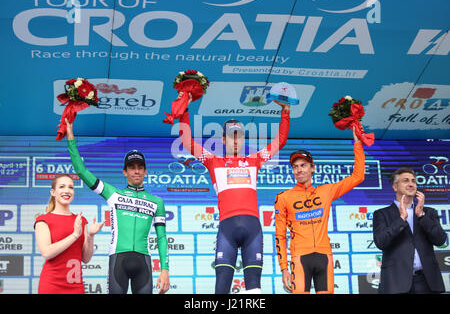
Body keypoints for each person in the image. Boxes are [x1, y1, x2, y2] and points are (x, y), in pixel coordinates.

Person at [176, 93, 290, 294]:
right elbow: (186, 140)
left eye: (239, 136)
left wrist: (286, 112)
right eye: (231, 136)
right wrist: (184, 107)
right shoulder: (213, 161)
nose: (235, 141)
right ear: (223, 139)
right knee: (221, 290)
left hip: (253, 230)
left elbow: (279, 141)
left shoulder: (254, 160)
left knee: (254, 290)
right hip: (226, 230)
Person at [64, 118, 170, 294]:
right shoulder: (113, 194)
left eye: (140, 167)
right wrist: (70, 138)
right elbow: (82, 171)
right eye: (131, 167)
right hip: (118, 261)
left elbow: (161, 237)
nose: (136, 171)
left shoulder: (156, 201)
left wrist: (165, 269)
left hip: (144, 263)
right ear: (125, 172)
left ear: (145, 171)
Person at [274, 127, 364, 294]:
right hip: (299, 257)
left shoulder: (326, 191)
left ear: (312, 168)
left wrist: (357, 143)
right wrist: (284, 269)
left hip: (324, 256)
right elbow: (280, 235)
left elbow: (358, 176)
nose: (299, 170)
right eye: (295, 167)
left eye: (303, 165)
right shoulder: (284, 197)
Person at [373, 167, 446, 294]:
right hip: (396, 283)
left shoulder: (429, 212)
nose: (411, 184)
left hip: (427, 282)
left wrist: (422, 215)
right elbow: (381, 242)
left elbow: (440, 240)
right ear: (395, 187)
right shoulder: (381, 214)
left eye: (413, 181)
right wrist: (401, 219)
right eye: (405, 181)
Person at [34, 174, 104, 294]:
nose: (67, 190)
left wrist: (91, 236)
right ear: (53, 192)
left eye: (71, 187)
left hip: (76, 286)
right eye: (62, 187)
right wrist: (74, 235)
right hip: (51, 285)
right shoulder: (43, 220)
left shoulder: (81, 221)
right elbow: (46, 252)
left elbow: (85, 259)